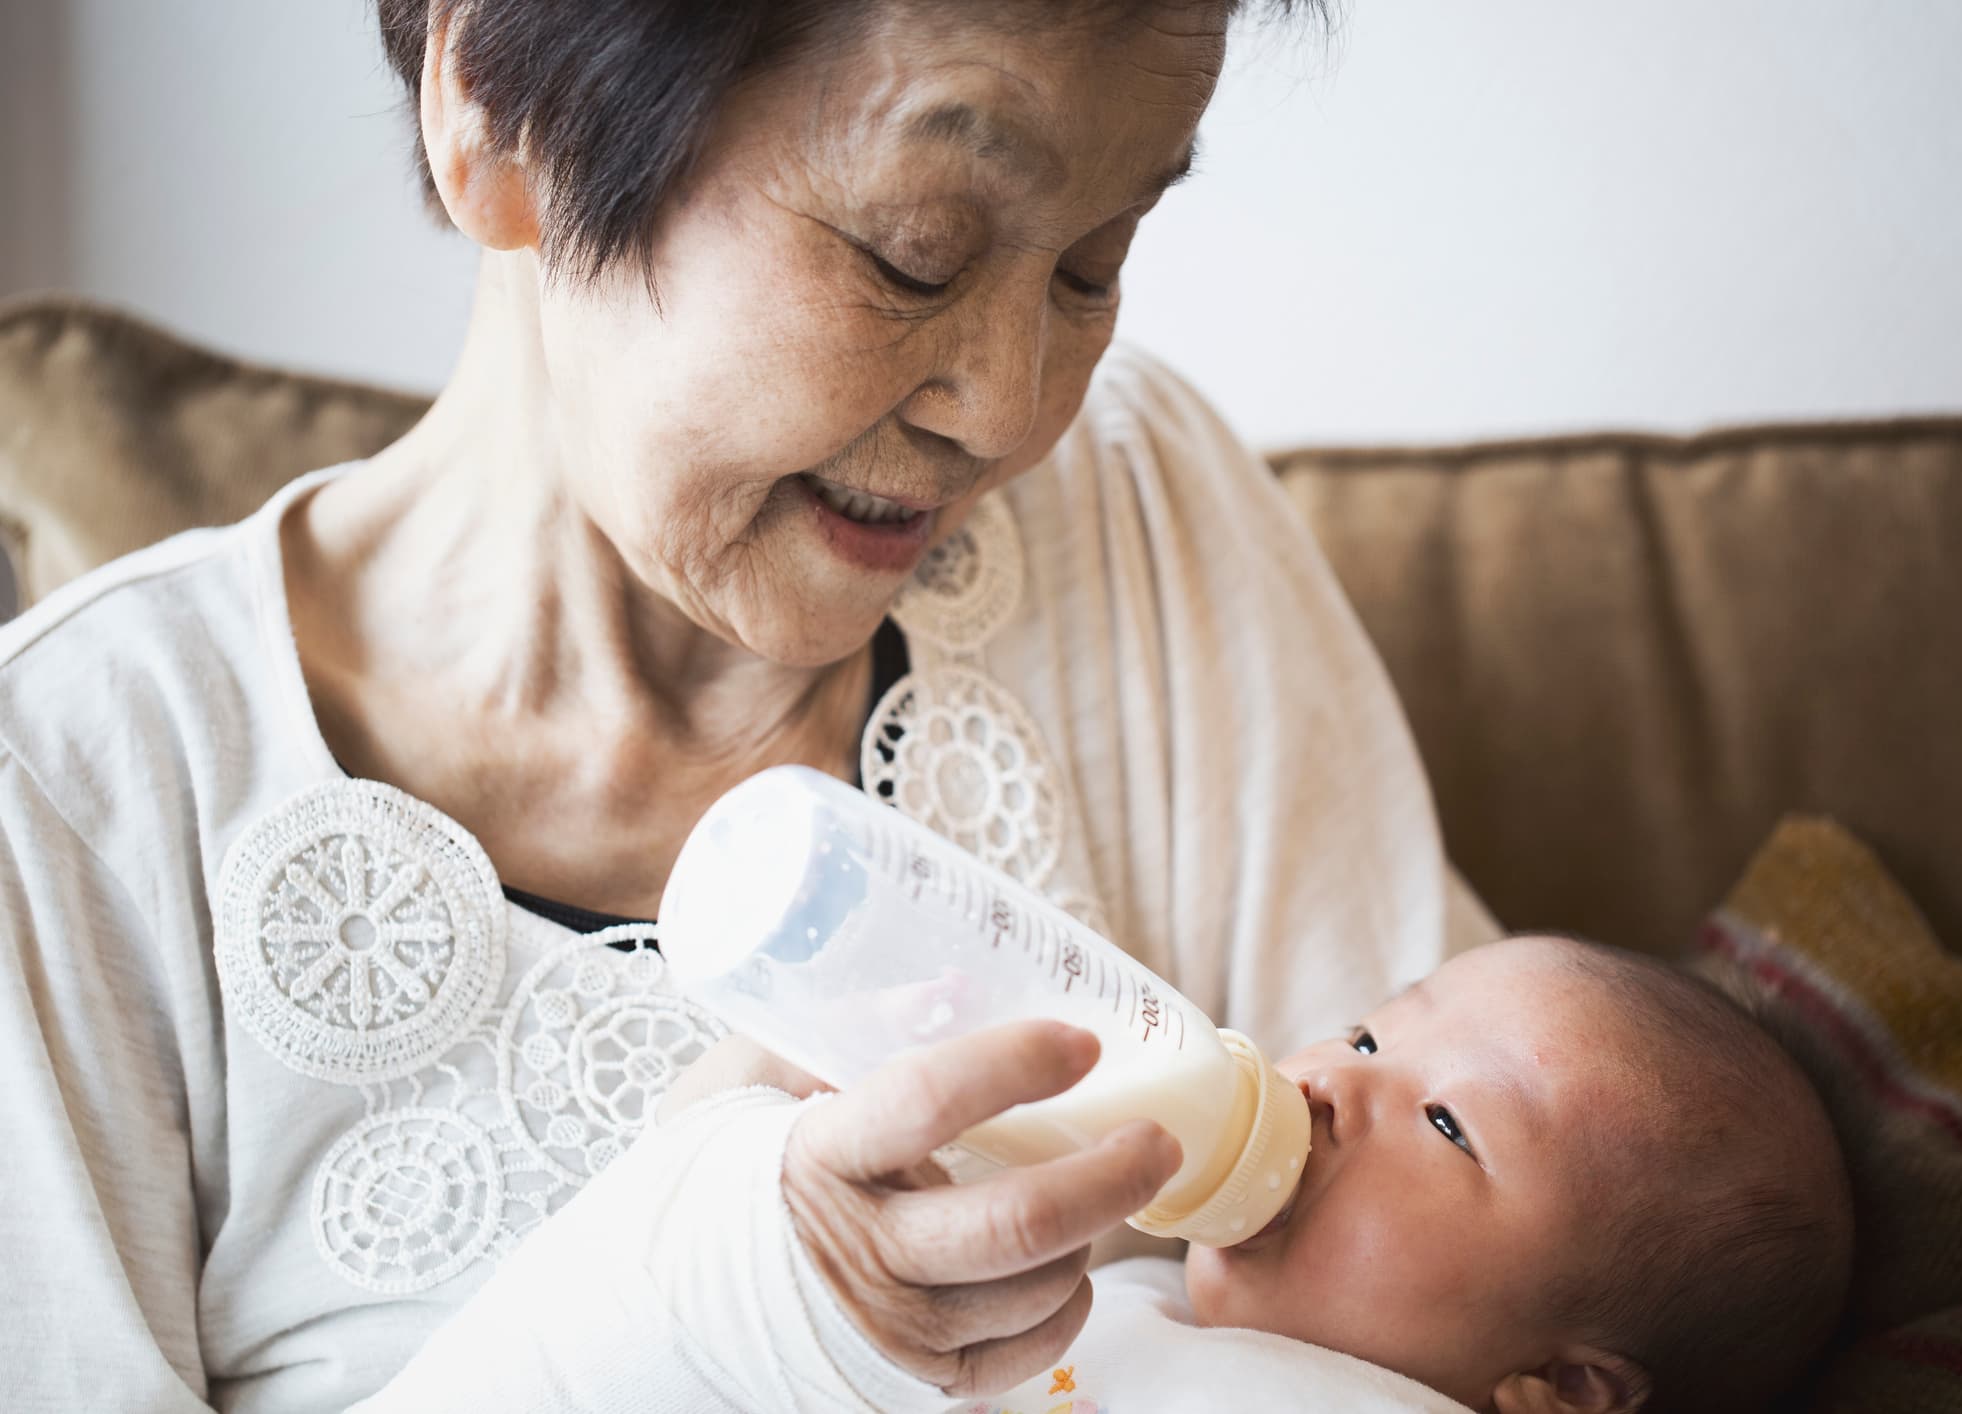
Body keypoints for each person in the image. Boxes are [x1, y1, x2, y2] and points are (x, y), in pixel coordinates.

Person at [0, 1, 1499, 1409]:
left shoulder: (1140, 512)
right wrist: (695, 1304)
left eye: (1091, 264)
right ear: (497, 112)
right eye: (913, 255)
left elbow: (1541, 1263)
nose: (1012, 407)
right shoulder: (73, 792)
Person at [364, 935, 1855, 1414]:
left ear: (1560, 1389)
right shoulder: (1115, 1281)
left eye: (1449, 1125)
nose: (1324, 1078)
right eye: (1363, 1029)